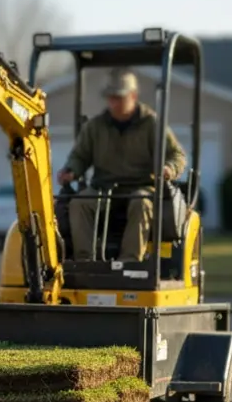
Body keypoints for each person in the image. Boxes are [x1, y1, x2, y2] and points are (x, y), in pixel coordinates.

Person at [57, 68, 187, 261]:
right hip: (103, 188)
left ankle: (129, 262)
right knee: (79, 203)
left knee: (141, 203)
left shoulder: (152, 124)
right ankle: (85, 261)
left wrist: (169, 168)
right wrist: (71, 170)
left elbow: (177, 155)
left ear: (133, 96)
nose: (113, 102)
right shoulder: (95, 126)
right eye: (110, 98)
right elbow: (80, 156)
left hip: (141, 187)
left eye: (118, 97)